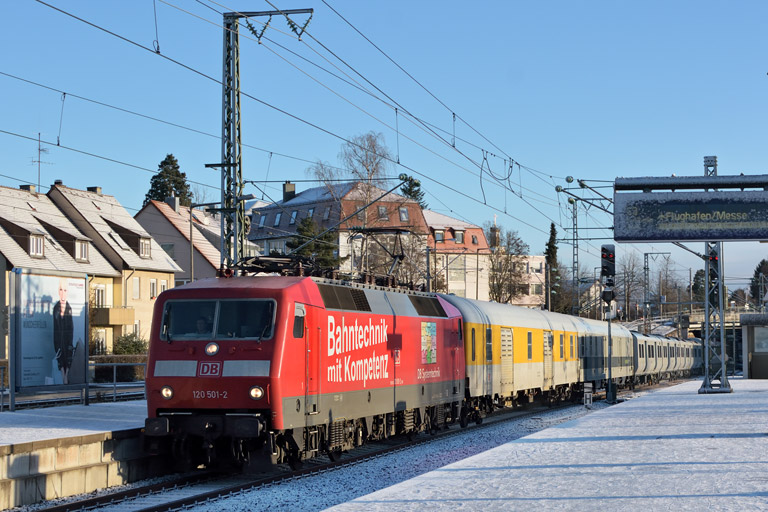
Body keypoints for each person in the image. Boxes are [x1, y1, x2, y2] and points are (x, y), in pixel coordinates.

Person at [53, 278, 74, 385]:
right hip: (58, 343)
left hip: (67, 343)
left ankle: (65, 377)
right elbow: (56, 332)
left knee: (67, 360)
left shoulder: (69, 309)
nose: (62, 293)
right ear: (58, 291)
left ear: (68, 292)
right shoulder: (56, 308)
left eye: (65, 290)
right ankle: (63, 377)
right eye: (61, 289)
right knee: (60, 362)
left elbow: (71, 331)